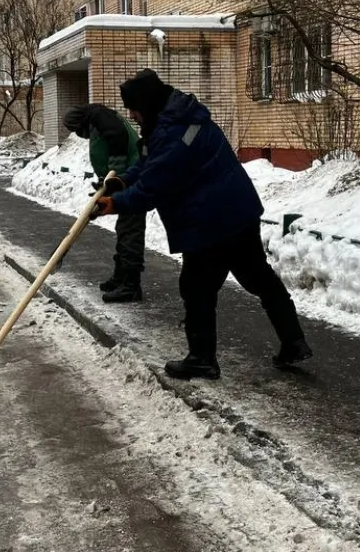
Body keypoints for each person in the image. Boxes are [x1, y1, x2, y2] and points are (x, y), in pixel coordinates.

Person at [93, 69, 313, 380]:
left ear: (148, 104)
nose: (132, 115)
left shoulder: (174, 133)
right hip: (237, 211)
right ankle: (293, 341)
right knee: (257, 277)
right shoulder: (176, 118)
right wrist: (124, 181)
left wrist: (115, 204)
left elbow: (155, 185)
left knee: (197, 288)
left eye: (134, 108)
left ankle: (202, 358)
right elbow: (149, 162)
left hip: (210, 220)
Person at [63, 103, 146, 303]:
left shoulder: (99, 117)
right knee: (124, 229)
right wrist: (105, 183)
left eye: (75, 130)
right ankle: (121, 277)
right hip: (124, 181)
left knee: (130, 231)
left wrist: (114, 173)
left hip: (132, 181)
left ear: (79, 123)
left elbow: (118, 139)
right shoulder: (99, 120)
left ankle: (130, 285)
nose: (79, 135)